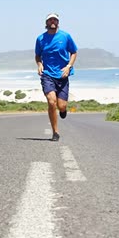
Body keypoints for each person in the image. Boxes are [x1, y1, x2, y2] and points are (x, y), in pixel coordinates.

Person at [35, 13, 78, 142]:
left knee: (62, 105)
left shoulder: (65, 36)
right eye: (50, 20)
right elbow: (38, 55)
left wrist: (68, 66)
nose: (53, 22)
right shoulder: (40, 39)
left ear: (58, 22)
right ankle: (55, 132)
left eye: (55, 20)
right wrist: (39, 64)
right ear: (46, 22)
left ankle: (63, 110)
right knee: (51, 101)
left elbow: (74, 52)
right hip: (47, 74)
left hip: (62, 75)